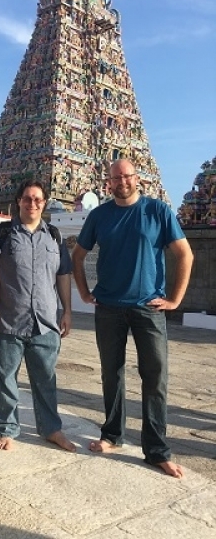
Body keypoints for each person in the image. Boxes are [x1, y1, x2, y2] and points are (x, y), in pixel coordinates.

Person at [72, 158, 193, 478]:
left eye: (127, 176)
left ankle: (156, 450)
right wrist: (85, 293)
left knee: (155, 378)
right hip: (109, 307)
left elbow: (185, 254)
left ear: (137, 179)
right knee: (112, 374)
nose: (122, 181)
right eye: (116, 178)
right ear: (108, 183)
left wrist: (175, 299)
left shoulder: (158, 211)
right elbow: (77, 256)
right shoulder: (99, 215)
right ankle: (112, 434)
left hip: (148, 308)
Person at [0, 180, 76, 452]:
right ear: (19, 202)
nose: (33, 203)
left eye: (38, 199)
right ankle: (6, 428)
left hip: (46, 321)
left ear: (45, 203)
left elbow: (63, 275)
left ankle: (51, 429)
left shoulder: (54, 236)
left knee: (46, 380)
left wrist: (67, 311)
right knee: (5, 379)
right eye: (27, 198)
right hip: (8, 319)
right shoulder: (2, 233)